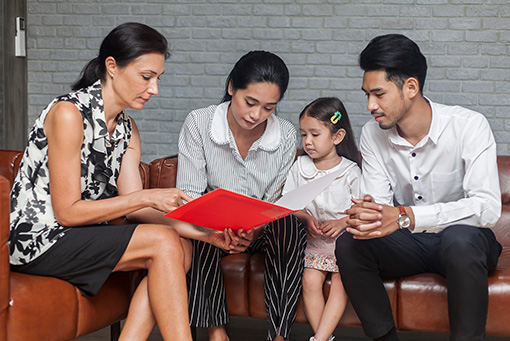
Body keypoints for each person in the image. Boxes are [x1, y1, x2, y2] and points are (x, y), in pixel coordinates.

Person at [8, 22, 237, 340]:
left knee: (181, 246)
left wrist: (205, 233)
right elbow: (67, 212)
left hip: (81, 235)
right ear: (112, 67)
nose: (154, 89)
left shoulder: (128, 130)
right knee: (164, 242)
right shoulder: (68, 114)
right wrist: (147, 197)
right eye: (146, 77)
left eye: (158, 78)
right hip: (40, 241)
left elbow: (137, 211)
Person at [336, 33, 503, 341]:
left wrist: (404, 216)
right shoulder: (374, 134)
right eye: (366, 95)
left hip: (465, 242)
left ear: (410, 87)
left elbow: (488, 208)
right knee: (350, 243)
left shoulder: (469, 126)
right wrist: (366, 216)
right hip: (410, 244)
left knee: (459, 239)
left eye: (379, 94)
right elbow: (378, 207)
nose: (370, 105)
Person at [176, 50, 307, 341]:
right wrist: (221, 228)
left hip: (259, 229)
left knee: (289, 226)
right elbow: (190, 196)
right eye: (250, 102)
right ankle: (216, 331)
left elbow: (275, 201)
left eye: (269, 107)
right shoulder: (199, 123)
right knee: (198, 231)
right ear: (231, 87)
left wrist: (255, 228)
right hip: (212, 226)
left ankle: (280, 335)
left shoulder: (285, 134)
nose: (256, 115)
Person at [281, 97, 361, 341]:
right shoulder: (300, 167)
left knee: (341, 281)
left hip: (345, 245)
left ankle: (320, 338)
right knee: (310, 280)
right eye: (303, 134)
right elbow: (288, 204)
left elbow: (361, 210)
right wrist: (305, 218)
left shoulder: (350, 171)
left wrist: (342, 223)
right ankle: (323, 337)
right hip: (315, 243)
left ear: (337, 137)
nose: (307, 142)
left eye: (315, 134)